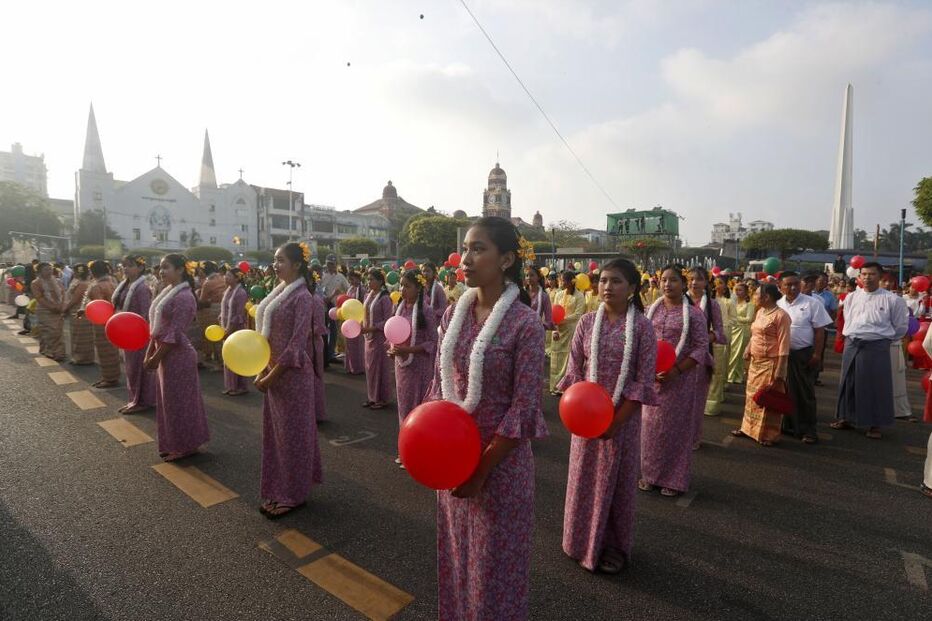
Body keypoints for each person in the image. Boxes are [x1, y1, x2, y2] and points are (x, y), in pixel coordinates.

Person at [424, 217, 547, 620]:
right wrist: (426, 442)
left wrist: (480, 470)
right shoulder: (452, 316)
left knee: (494, 569)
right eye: (467, 248)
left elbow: (524, 407)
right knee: (458, 557)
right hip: (453, 462)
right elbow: (441, 384)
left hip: (499, 468)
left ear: (507, 259)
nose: (466, 258)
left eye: (479, 249)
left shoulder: (525, 324)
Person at [557, 258, 657, 574]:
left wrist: (616, 420)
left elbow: (643, 379)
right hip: (585, 421)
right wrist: (576, 412)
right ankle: (578, 540)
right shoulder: (587, 322)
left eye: (616, 281)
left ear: (632, 288)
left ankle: (613, 546)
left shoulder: (642, 326)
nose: (607, 287)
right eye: (603, 280)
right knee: (583, 480)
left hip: (622, 422)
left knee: (618, 485)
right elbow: (574, 369)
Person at [253, 242, 322, 518]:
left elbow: (295, 345)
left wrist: (270, 376)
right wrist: (262, 370)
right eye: (274, 259)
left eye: (281, 260)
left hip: (291, 375)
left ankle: (293, 495)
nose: (275, 264)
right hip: (273, 374)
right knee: (278, 436)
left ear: (296, 264)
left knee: (293, 436)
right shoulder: (278, 292)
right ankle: (279, 488)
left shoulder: (302, 297)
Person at [639, 265, 710, 497]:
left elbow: (701, 348)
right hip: (652, 379)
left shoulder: (694, 314)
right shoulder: (651, 310)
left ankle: (673, 479)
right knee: (649, 428)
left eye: (674, 280)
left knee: (675, 429)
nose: (668, 285)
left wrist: (677, 370)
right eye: (664, 280)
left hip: (680, 380)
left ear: (683, 284)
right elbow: (640, 341)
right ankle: (649, 475)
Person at [143, 255, 210, 462]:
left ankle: (186, 445)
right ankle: (174, 442)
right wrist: (149, 353)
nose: (161, 271)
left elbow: (173, 333)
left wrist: (155, 356)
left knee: (180, 403)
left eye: (166, 267)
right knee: (169, 402)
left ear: (180, 270)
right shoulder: (168, 291)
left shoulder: (184, 297)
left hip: (178, 355)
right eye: (161, 267)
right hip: (165, 352)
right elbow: (156, 329)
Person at [832, 262, 909, 439]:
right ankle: (846, 417)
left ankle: (875, 424)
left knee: (876, 386)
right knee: (848, 382)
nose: (867, 278)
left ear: (880, 277)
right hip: (853, 343)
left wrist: (881, 339)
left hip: (877, 345)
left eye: (872, 274)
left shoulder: (892, 300)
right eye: (864, 274)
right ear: (859, 276)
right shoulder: (852, 297)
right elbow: (848, 319)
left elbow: (900, 327)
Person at [775, 272, 832, 444]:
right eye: (788, 285)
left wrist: (817, 354)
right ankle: (787, 426)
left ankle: (809, 429)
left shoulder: (812, 303)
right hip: (781, 356)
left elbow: (820, 331)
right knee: (784, 392)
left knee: (804, 393)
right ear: (780, 286)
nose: (792, 288)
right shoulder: (777, 304)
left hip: (803, 354)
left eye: (795, 284)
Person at [389, 269, 437, 465]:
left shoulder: (425, 310)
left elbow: (433, 342)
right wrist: (393, 348)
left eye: (407, 286)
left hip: (419, 366)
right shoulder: (400, 307)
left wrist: (410, 349)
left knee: (419, 410)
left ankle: (419, 451)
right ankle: (406, 450)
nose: (402, 289)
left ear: (418, 288)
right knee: (404, 408)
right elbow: (393, 332)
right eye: (401, 285)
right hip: (402, 366)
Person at [733, 283, 791, 445]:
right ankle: (747, 428)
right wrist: (748, 348)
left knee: (768, 399)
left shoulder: (781, 316)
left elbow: (784, 344)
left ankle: (769, 435)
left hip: (770, 364)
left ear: (767, 297)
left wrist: (781, 369)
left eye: (756, 294)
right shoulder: (760, 312)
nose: (754, 297)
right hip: (755, 363)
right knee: (752, 397)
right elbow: (754, 334)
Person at [113, 255, 157, 414]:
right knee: (131, 368)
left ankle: (141, 401)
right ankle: (136, 399)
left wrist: (139, 332)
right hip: (127, 332)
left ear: (140, 268)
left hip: (138, 333)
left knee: (137, 368)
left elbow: (146, 314)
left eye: (130, 265)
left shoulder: (142, 288)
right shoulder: (125, 285)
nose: (125, 268)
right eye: (123, 265)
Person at [687, 266, 723, 447]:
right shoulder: (678, 301)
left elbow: (720, 333)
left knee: (697, 400)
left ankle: (693, 438)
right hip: (678, 358)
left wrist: (706, 337)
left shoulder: (712, 304)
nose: (694, 283)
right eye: (691, 278)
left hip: (701, 358)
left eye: (699, 279)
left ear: (707, 283)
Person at [84, 261, 120, 388]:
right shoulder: (113, 282)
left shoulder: (96, 287)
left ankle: (109, 378)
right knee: (112, 350)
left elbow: (98, 307)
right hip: (114, 319)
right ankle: (112, 376)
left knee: (104, 350)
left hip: (102, 322)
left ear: (93, 272)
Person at [361, 268, 393, 409]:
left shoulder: (385, 298)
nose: (369, 282)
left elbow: (388, 319)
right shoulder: (368, 295)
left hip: (379, 337)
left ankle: (381, 398)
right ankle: (372, 397)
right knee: (370, 368)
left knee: (380, 368)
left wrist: (372, 328)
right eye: (368, 279)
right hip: (368, 337)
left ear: (380, 281)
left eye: (372, 279)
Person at [550, 271, 586, 395]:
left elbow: (578, 314)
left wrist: (563, 320)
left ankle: (564, 387)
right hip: (559, 330)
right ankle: (554, 386)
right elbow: (554, 312)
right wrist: (555, 328)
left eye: (564, 280)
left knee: (568, 357)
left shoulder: (579, 296)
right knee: (555, 357)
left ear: (572, 281)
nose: (562, 282)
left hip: (571, 330)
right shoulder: (558, 295)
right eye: (561, 280)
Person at [706, 276, 734, 416]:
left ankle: (712, 405)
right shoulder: (690, 301)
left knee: (716, 371)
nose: (716, 286)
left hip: (716, 340)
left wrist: (713, 336)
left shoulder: (721, 303)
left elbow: (723, 325)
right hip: (699, 342)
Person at [219, 267, 249, 396]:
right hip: (226, 327)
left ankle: (240, 386)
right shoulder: (228, 291)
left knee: (237, 357)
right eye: (225, 275)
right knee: (228, 357)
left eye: (229, 276)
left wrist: (229, 329)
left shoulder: (241, 293)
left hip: (235, 330)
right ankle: (231, 385)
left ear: (237, 278)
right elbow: (225, 309)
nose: (226, 278)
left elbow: (239, 315)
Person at [31, 262, 66, 361]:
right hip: (44, 310)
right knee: (50, 332)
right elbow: (39, 298)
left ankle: (59, 352)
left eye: (50, 269)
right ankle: (52, 352)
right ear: (39, 272)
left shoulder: (57, 281)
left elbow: (63, 293)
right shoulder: (35, 283)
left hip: (58, 309)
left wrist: (62, 305)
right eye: (46, 269)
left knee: (58, 332)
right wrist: (52, 307)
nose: (49, 271)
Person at [320, 254, 350, 366]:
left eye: (332, 264)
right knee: (323, 331)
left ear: (336, 264)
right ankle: (324, 354)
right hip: (323, 306)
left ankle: (331, 353)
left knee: (333, 331)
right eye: (328, 264)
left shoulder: (341, 277)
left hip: (335, 308)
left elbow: (348, 289)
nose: (330, 266)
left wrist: (341, 296)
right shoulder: (322, 276)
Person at [195, 261, 226, 367]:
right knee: (221, 335)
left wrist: (197, 293)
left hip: (212, 309)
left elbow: (202, 300)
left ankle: (220, 362)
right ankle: (222, 361)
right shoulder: (222, 278)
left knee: (214, 336)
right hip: (223, 308)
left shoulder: (208, 283)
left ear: (204, 271)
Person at [64, 264, 95, 365]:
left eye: (74, 271)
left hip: (79, 311)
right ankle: (78, 357)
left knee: (81, 336)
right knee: (77, 335)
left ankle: (83, 358)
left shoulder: (83, 284)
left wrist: (65, 308)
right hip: (77, 311)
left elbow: (75, 299)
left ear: (77, 272)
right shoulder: (79, 282)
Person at [308, 274, 328, 422]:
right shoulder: (304, 298)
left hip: (313, 344)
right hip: (305, 343)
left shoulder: (315, 300)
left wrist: (301, 332)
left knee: (315, 377)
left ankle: (317, 413)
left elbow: (320, 327)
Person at [727, 281, 755, 383]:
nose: (737, 292)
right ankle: (729, 375)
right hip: (732, 329)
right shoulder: (731, 303)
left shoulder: (749, 304)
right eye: (736, 290)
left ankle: (737, 376)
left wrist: (734, 317)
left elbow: (749, 319)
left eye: (740, 290)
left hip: (742, 330)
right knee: (730, 353)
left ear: (746, 292)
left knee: (738, 354)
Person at [342, 270, 365, 375]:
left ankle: (358, 367)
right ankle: (350, 366)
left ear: (358, 278)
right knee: (349, 343)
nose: (351, 281)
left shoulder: (362, 289)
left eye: (352, 278)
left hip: (357, 318)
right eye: (349, 279)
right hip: (349, 318)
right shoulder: (350, 289)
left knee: (358, 344)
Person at [525, 265, 553, 331]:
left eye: (532, 275)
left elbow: (549, 320)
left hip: (536, 332)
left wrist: (538, 327)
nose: (528, 278)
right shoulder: (521, 293)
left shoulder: (544, 296)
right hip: (521, 331)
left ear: (538, 277)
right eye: (527, 275)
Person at [421, 261, 448, 326]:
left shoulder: (438, 288)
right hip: (421, 321)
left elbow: (443, 308)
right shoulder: (419, 288)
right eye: (423, 271)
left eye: (428, 271)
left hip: (435, 322)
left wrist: (431, 313)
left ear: (434, 273)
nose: (425, 273)